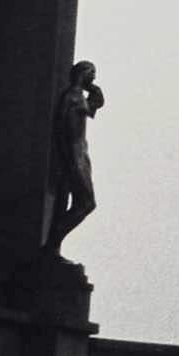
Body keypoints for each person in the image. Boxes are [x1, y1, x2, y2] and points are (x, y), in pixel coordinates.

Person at [48, 61, 104, 250]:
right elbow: (59, 127)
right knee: (87, 203)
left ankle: (53, 245)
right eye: (92, 72)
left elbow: (91, 110)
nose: (94, 77)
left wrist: (95, 95)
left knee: (79, 203)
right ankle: (52, 243)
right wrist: (64, 157)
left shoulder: (77, 96)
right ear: (83, 73)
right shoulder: (71, 96)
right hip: (73, 155)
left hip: (79, 154)